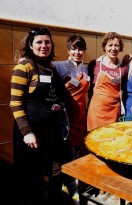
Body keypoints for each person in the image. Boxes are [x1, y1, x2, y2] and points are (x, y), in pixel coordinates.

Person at [10, 26, 69, 205]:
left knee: (48, 172)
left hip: (49, 133)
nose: (44, 46)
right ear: (30, 44)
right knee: (28, 175)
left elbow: (58, 95)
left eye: (47, 42)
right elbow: (15, 102)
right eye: (39, 42)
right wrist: (27, 132)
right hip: (30, 134)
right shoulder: (24, 66)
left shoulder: (50, 68)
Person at [53, 33, 90, 203]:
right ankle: (70, 190)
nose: (77, 52)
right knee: (66, 156)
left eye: (80, 48)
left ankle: (70, 187)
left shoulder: (86, 68)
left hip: (81, 116)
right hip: (66, 119)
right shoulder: (59, 66)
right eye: (74, 48)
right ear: (68, 49)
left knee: (76, 154)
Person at [87, 32, 128, 131]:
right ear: (104, 47)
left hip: (113, 112)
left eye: (116, 45)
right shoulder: (95, 64)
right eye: (110, 45)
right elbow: (89, 90)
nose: (113, 48)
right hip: (97, 111)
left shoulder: (122, 68)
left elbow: (123, 89)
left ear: (120, 48)